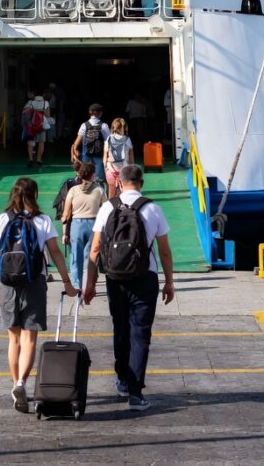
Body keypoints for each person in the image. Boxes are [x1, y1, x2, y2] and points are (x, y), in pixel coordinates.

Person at [83, 164, 174, 412]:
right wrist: (169, 282)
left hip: (115, 278)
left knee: (120, 330)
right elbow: (164, 251)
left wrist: (90, 283)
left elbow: (94, 249)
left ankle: (122, 380)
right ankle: (136, 393)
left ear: (120, 183)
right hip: (145, 277)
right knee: (140, 334)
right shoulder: (153, 208)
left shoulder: (107, 207)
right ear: (141, 183)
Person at [0, 176, 77, 413]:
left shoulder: (1, 220)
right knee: (30, 338)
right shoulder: (42, 220)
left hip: (7, 283)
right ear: (34, 195)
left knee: (13, 339)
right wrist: (67, 282)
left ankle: (15, 383)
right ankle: (22, 383)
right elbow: (55, 252)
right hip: (34, 282)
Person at [61, 161, 104, 290]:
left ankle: (76, 285)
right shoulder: (99, 190)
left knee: (75, 255)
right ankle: (89, 284)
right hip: (93, 225)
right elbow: (105, 209)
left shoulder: (73, 190)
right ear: (92, 175)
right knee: (90, 256)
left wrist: (65, 231)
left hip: (77, 225)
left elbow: (66, 214)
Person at [71, 103, 109, 181]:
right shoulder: (104, 125)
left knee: (85, 175)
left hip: (86, 154)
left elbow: (76, 143)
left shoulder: (84, 125)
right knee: (99, 178)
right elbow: (108, 141)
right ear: (100, 113)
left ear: (90, 112)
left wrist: (75, 152)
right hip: (99, 154)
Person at [103, 117, 134, 198]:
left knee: (111, 195)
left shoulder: (108, 139)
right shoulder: (127, 139)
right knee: (124, 194)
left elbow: (105, 158)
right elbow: (131, 159)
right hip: (124, 171)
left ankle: (112, 209)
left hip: (111, 171)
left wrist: (106, 168)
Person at [22, 89, 49, 168]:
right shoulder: (46, 103)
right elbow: (48, 114)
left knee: (31, 142)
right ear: (43, 95)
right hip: (41, 125)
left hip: (32, 125)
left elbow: (24, 112)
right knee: (41, 142)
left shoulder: (30, 103)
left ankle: (30, 159)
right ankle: (39, 159)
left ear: (34, 95)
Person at [125, 92, 148, 157]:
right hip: (136, 119)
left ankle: (138, 148)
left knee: (137, 134)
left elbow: (127, 110)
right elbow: (144, 112)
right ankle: (135, 148)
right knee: (137, 134)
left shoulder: (138, 102)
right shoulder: (139, 102)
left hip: (136, 119)